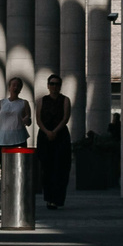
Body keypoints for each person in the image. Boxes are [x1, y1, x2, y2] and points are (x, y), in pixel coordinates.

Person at [35, 73, 73, 209]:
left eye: (57, 84)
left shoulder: (65, 100)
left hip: (61, 136)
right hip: (45, 136)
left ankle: (58, 198)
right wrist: (47, 132)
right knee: (47, 168)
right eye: (52, 84)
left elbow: (65, 118)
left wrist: (55, 132)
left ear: (60, 86)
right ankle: (49, 198)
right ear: (48, 86)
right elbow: (38, 119)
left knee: (61, 168)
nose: (54, 86)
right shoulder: (41, 100)